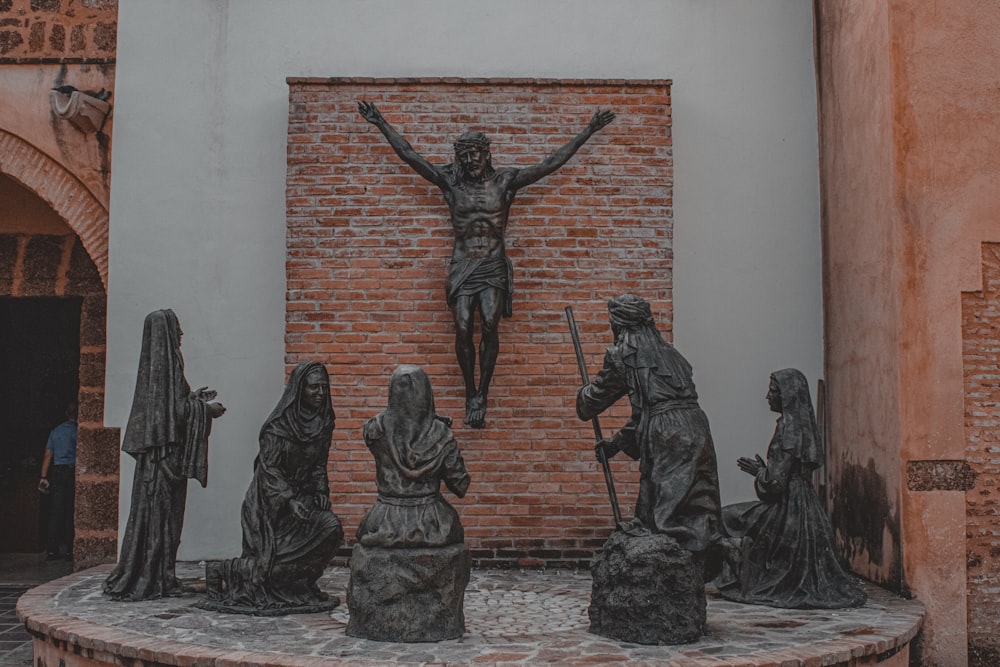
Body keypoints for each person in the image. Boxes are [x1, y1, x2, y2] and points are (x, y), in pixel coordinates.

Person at [358, 101, 615, 428]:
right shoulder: (451, 184)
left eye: (474, 154)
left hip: (492, 263)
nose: (469, 161)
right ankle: (470, 391)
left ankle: (483, 391)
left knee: (490, 322)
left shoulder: (505, 182)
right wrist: (380, 123)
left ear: (486, 154)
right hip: (463, 264)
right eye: (463, 156)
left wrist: (588, 131)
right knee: (463, 325)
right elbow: (410, 156)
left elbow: (550, 163)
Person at [576, 294, 722, 556]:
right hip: (695, 425)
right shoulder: (671, 354)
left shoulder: (622, 354)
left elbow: (592, 403)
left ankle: (665, 563)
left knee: (666, 511)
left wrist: (583, 395)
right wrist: (617, 444)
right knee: (691, 499)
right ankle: (705, 551)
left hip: (667, 433)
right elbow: (653, 408)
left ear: (619, 324)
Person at [715, 369, 867, 608]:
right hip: (803, 502)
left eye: (773, 391)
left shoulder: (788, 427)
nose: (767, 396)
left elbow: (775, 485)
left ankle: (744, 576)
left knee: (724, 517)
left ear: (787, 396)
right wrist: (765, 469)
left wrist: (758, 472)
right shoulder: (803, 427)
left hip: (787, 507)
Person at [104, 309, 226, 601]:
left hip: (161, 463)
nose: (182, 335)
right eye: (178, 329)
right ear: (166, 333)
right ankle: (155, 578)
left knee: (166, 522)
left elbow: (168, 411)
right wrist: (205, 410)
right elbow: (173, 414)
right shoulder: (165, 367)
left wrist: (192, 399)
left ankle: (162, 575)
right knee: (162, 522)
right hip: (162, 465)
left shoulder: (161, 369)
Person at [205, 361, 342, 612]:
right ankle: (223, 570)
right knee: (266, 568)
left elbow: (319, 464)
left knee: (331, 529)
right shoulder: (278, 427)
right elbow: (269, 470)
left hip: (305, 499)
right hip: (270, 505)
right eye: (314, 388)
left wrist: (321, 491)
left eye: (324, 387)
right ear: (300, 390)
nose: (321, 393)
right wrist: (289, 501)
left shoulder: (324, 423)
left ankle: (302, 583)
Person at [357, 365, 470, 548]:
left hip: (383, 521)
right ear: (425, 393)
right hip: (432, 523)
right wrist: (445, 439)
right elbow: (460, 485)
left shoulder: (374, 429)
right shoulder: (441, 435)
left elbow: (400, 424)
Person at [39, 401, 77, 560]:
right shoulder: (78, 431)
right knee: (71, 510)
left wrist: (43, 476)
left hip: (58, 471)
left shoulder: (56, 431)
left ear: (65, 413)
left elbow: (48, 454)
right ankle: (70, 549)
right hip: (73, 471)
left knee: (56, 511)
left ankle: (52, 550)